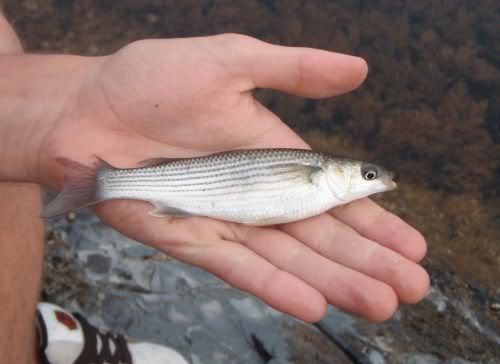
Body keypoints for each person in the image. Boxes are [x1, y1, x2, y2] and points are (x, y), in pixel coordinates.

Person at [0, 8, 430, 364]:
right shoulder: (313, 176)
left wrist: (50, 107)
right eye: (368, 177)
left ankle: (29, 346)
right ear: (334, 171)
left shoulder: (318, 182)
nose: (373, 183)